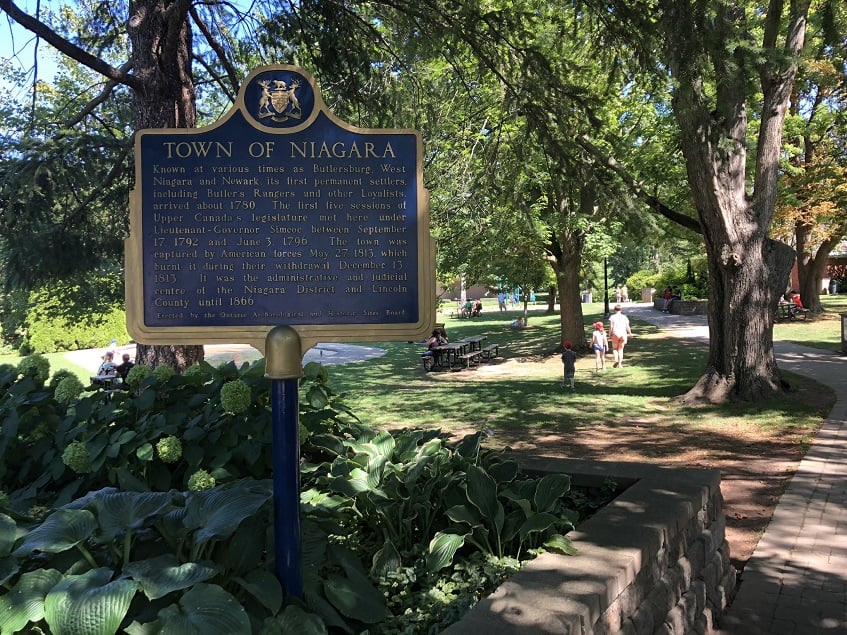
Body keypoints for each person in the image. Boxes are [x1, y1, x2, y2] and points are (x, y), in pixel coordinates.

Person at [608, 304, 633, 368]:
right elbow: (627, 326)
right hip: (623, 334)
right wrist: (630, 333)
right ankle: (620, 364)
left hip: (615, 333)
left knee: (615, 348)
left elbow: (611, 326)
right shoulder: (624, 317)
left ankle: (616, 359)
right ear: (621, 310)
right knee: (621, 350)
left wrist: (609, 334)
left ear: (614, 310)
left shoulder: (612, 317)